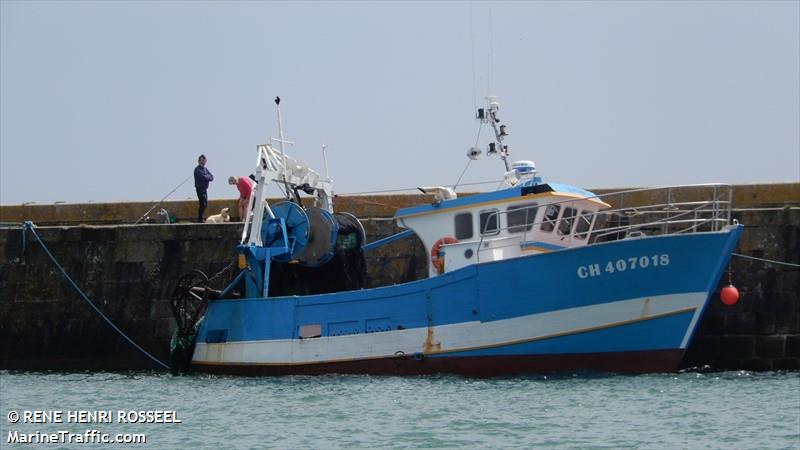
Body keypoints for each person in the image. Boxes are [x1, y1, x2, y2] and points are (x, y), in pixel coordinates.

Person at [193, 154, 213, 222]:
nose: (202, 162)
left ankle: (201, 218)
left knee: (205, 204)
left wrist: (206, 176)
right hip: (200, 189)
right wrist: (206, 176)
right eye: (201, 160)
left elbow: (211, 177)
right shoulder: (197, 169)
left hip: (205, 189)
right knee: (203, 203)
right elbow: (203, 177)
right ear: (198, 161)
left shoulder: (205, 169)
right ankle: (200, 219)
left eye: (204, 160)